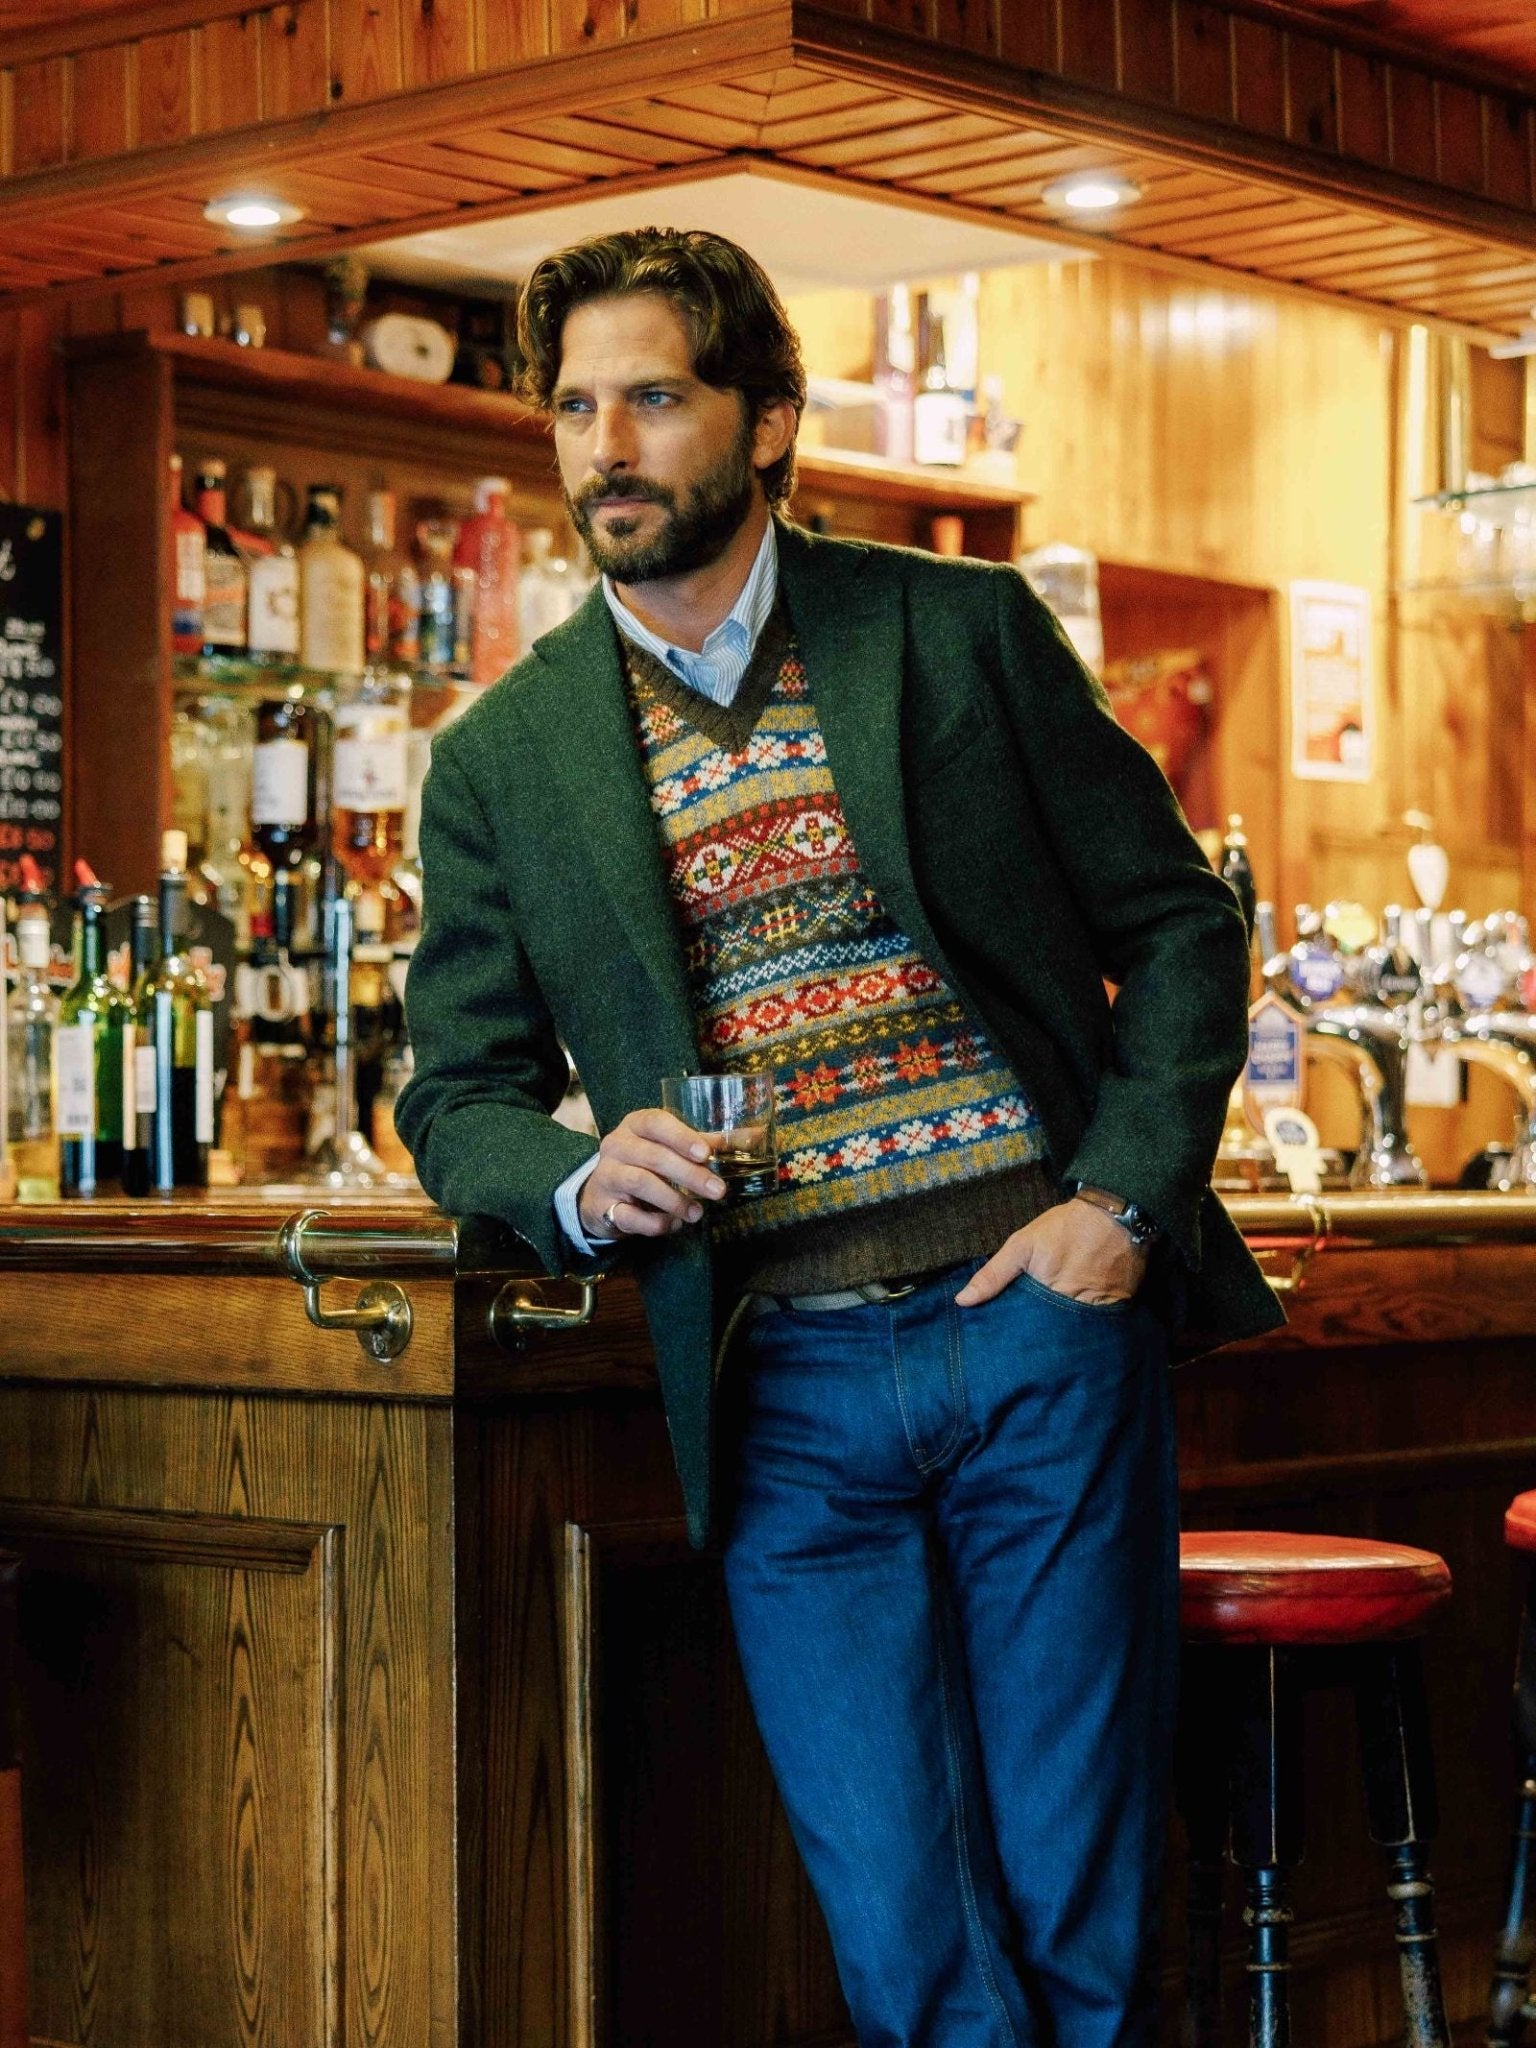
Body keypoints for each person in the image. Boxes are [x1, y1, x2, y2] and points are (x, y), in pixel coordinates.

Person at [397, 226, 1284, 2048]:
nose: (604, 448)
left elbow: (1181, 925)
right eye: (574, 408)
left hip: (1034, 1329)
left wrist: (1120, 1202)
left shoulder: (955, 630)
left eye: (654, 397)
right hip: (777, 1382)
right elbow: (456, 1095)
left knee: (1080, 1908)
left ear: (770, 420)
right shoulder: (503, 759)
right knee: (902, 1938)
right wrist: (576, 1178)